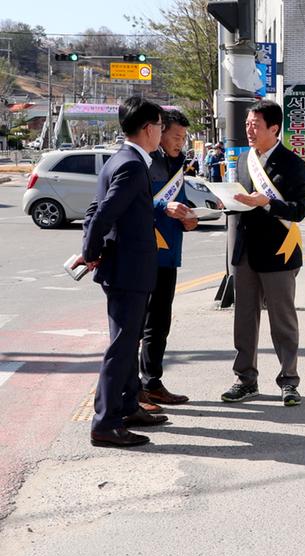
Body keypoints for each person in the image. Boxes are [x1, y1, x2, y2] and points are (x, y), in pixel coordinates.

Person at [78, 96, 169, 448]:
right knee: (121, 346)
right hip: (128, 271)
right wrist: (90, 252)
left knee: (127, 342)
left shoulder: (120, 159)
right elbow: (102, 215)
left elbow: (94, 209)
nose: (162, 132)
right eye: (160, 126)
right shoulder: (132, 165)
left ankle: (129, 406)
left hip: (124, 267)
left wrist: (95, 248)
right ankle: (105, 423)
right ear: (148, 128)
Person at [221, 100, 305, 406]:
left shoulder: (293, 163)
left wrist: (267, 203)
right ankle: (245, 378)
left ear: (274, 128)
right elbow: (240, 199)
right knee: (244, 319)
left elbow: (299, 211)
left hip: (279, 253)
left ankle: (289, 380)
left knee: (282, 320)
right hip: (246, 251)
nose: (249, 130)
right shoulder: (245, 159)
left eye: (255, 125)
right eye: (247, 124)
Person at [138, 108, 197, 411]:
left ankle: (152, 383)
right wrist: (165, 209)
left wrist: (189, 217)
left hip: (169, 254)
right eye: (176, 136)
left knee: (159, 323)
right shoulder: (143, 162)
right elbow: (134, 203)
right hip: (145, 254)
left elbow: (179, 202)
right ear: (159, 132)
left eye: (183, 137)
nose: (180, 142)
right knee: (138, 325)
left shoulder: (176, 163)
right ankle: (133, 389)